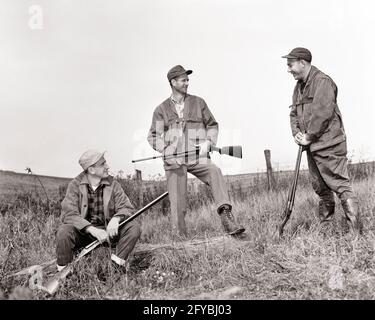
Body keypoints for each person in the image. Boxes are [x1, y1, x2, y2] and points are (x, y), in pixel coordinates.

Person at [147, 65, 245, 237]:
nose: (187, 83)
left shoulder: (198, 102)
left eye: (187, 80)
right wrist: (165, 149)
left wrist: (209, 141)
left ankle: (227, 219)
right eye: (183, 80)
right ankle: (180, 239)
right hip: (174, 160)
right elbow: (153, 136)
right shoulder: (161, 109)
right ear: (173, 82)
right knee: (178, 202)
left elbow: (212, 125)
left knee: (214, 171)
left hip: (197, 156)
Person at [282, 47, 361, 234]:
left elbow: (322, 114)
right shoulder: (298, 87)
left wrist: (308, 136)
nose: (288, 69)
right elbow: (293, 113)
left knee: (339, 184)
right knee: (320, 187)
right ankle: (326, 231)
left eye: (290, 64)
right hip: (312, 146)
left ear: (302, 63)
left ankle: (357, 234)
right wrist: (297, 134)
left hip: (330, 144)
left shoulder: (322, 82)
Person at [56, 150, 141, 271]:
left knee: (133, 227)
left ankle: (116, 267)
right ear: (91, 170)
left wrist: (116, 219)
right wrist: (92, 230)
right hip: (84, 233)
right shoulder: (75, 185)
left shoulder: (114, 184)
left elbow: (126, 207)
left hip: (108, 232)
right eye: (103, 164)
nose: (108, 167)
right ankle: (63, 274)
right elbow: (68, 214)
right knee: (64, 232)